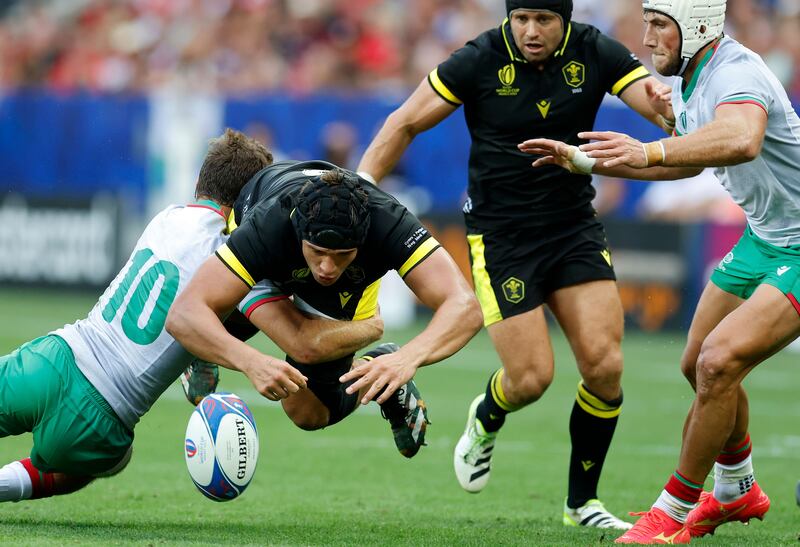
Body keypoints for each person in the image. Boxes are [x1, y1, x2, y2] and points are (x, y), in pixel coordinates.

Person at [356, 0, 675, 529]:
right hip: (501, 236)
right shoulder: (479, 58)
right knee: (531, 379)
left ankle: (582, 504)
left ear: (565, 20)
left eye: (544, 20)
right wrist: (359, 191)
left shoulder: (595, 49)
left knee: (606, 366)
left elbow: (659, 105)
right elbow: (404, 121)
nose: (530, 31)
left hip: (573, 226)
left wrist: (670, 104)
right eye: (521, 18)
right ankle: (487, 415)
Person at [519, 0, 800, 542]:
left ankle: (669, 515)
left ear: (696, 27)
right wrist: (590, 163)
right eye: (646, 23)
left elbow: (742, 140)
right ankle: (737, 488)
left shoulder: (735, 72)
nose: (646, 38)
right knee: (697, 364)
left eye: (658, 25)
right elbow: (689, 161)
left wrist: (647, 150)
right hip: (766, 236)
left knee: (718, 364)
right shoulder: (693, 76)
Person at [0, 129, 383, 502]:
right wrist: (368, 325)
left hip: (54, 356)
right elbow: (294, 336)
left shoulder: (167, 217)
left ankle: (198, 358)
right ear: (254, 201)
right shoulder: (234, 257)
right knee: (110, 460)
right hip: (102, 412)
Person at [166, 161, 483, 458]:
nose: (327, 267)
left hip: (348, 289)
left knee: (307, 413)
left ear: (362, 241)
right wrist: (250, 361)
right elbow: (184, 314)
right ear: (299, 233)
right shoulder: (270, 225)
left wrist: (405, 360)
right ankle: (207, 351)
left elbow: (466, 308)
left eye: (342, 255)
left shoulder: (388, 221)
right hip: (268, 266)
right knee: (226, 314)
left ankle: (380, 361)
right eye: (317, 252)